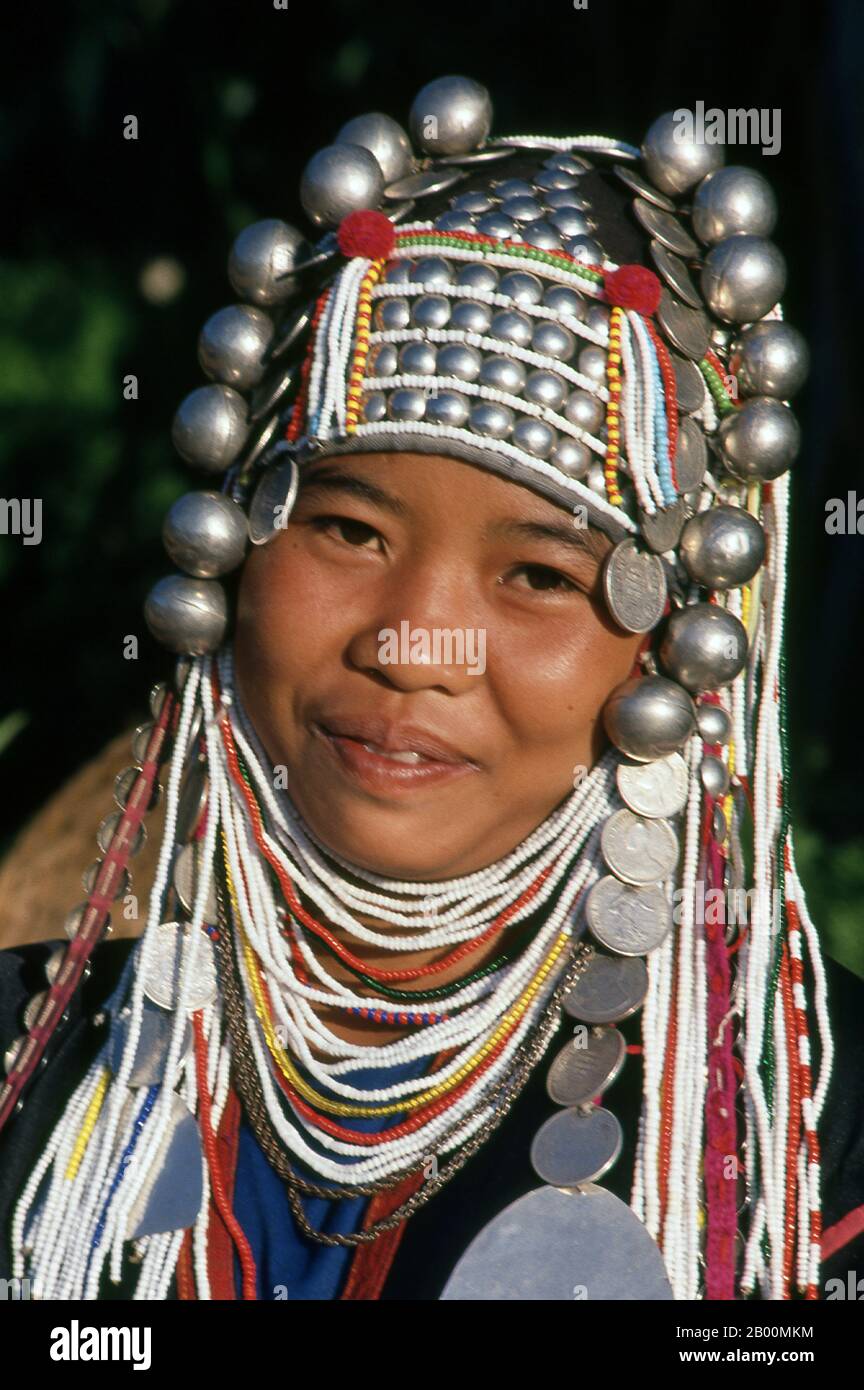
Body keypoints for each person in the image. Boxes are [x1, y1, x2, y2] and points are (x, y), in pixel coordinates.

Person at [2, 76, 864, 1302]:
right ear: (229, 550)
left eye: (539, 575)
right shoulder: (33, 1068)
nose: (414, 646)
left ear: (680, 642)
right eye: (350, 532)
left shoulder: (802, 1157)